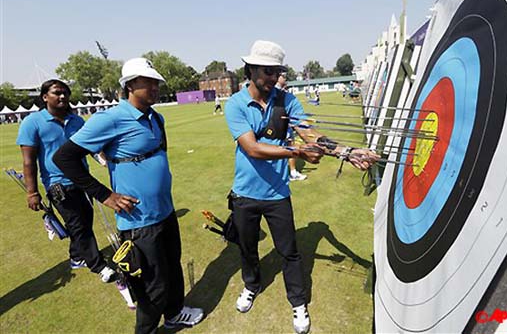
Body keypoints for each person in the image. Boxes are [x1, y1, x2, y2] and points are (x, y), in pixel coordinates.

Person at [224, 40, 378, 334]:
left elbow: (309, 134)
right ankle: (251, 286)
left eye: (277, 71)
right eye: (267, 71)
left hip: (277, 194)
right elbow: (253, 148)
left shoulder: (287, 102)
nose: (273, 77)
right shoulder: (235, 104)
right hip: (244, 193)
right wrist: (295, 153)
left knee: (289, 251)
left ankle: (297, 301)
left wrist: (345, 151)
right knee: (247, 249)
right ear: (251, 69)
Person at [53, 58, 204, 334]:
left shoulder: (156, 117)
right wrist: (105, 195)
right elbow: (65, 158)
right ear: (130, 85)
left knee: (172, 267)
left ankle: (174, 314)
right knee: (151, 285)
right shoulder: (109, 119)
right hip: (138, 219)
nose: (156, 87)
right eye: (149, 82)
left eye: (157, 82)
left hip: (165, 210)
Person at [16, 79, 116, 282]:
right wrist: (32, 192)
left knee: (84, 219)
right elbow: (28, 162)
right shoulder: (32, 122)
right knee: (78, 225)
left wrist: (103, 160)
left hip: (82, 180)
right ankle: (98, 266)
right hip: (57, 183)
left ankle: (77, 257)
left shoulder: (77, 121)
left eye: (65, 93)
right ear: (45, 97)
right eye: (57, 93)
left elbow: (91, 147)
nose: (62, 96)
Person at [275, 75, 307, 181]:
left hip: (285, 126)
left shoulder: (284, 94)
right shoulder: (276, 92)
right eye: (283, 77)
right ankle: (292, 173)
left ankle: (290, 172)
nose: (285, 79)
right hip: (283, 127)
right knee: (290, 147)